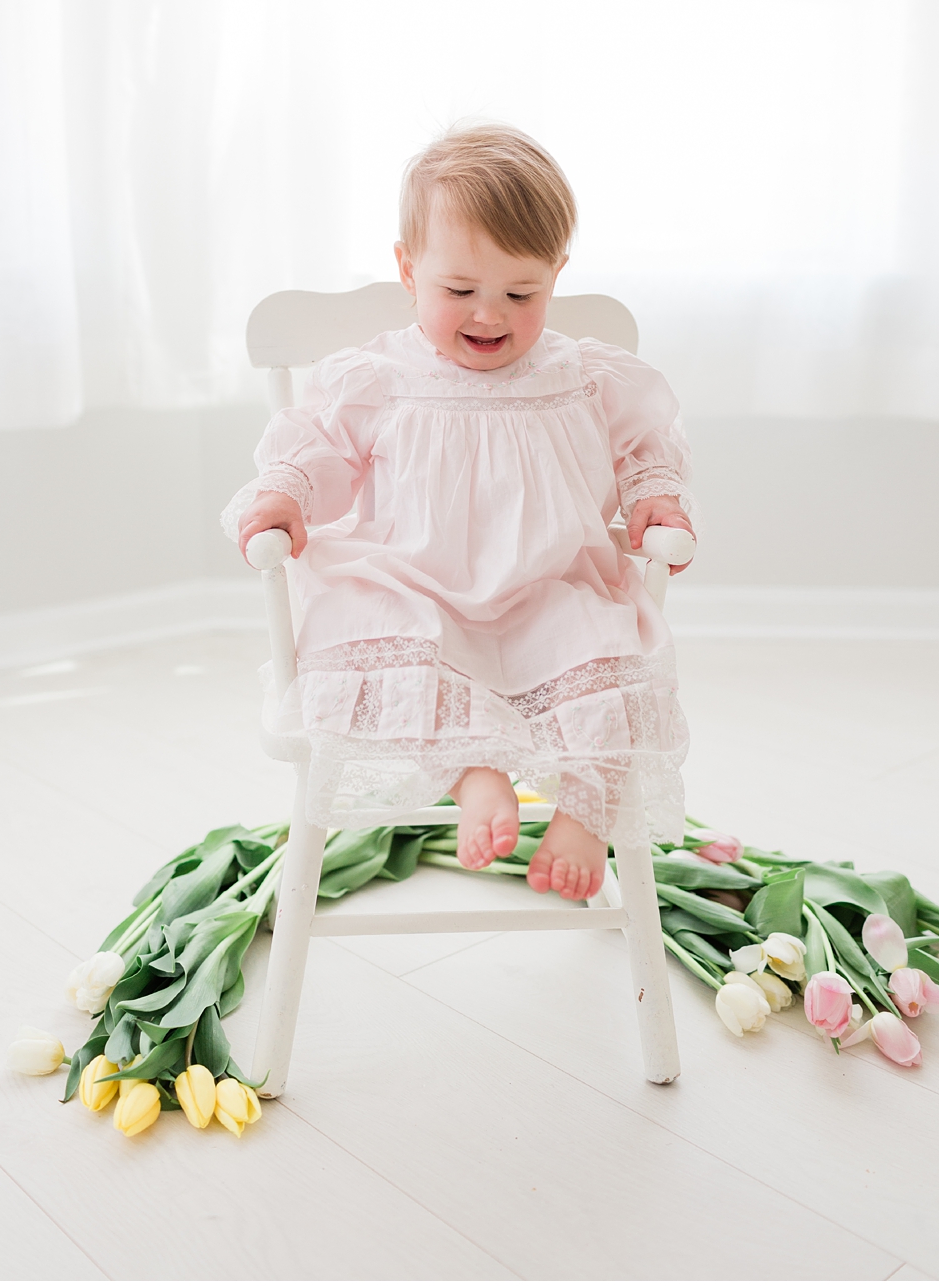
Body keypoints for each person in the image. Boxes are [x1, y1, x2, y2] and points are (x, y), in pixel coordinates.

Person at [225, 124, 694, 898]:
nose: (490, 315)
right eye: (460, 291)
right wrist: (288, 492)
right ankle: (474, 773)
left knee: (608, 654)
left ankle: (586, 805)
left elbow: (647, 439)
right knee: (364, 629)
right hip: (415, 584)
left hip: (551, 586)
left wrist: (655, 496)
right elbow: (321, 442)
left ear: (557, 274)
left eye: (521, 293)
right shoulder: (381, 375)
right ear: (409, 270)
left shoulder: (580, 375)